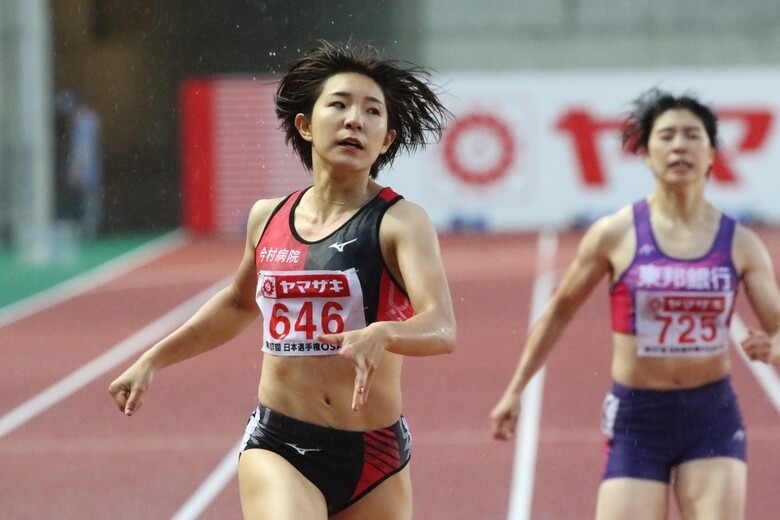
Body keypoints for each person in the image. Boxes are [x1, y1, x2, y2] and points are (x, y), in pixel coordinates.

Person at [109, 40, 456, 520]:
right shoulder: (266, 218)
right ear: (306, 125)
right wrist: (152, 359)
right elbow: (236, 304)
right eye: (338, 104)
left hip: (375, 455)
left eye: (372, 111)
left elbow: (442, 326)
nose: (354, 119)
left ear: (387, 139)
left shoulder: (400, 222)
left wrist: (385, 332)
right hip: (281, 444)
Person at [490, 88, 780, 519]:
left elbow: (777, 327)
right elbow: (559, 311)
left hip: (711, 414)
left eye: (691, 135)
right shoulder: (615, 233)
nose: (679, 145)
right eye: (666, 136)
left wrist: (776, 347)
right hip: (638, 416)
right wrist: (515, 389)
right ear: (645, 152)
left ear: (712, 152)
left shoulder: (741, 243)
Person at [54, 90, 103, 238]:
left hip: (86, 171)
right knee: (87, 202)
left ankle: (88, 232)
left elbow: (83, 151)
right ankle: (87, 230)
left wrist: (75, 172)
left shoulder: (84, 122)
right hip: (89, 169)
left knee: (88, 202)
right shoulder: (88, 119)